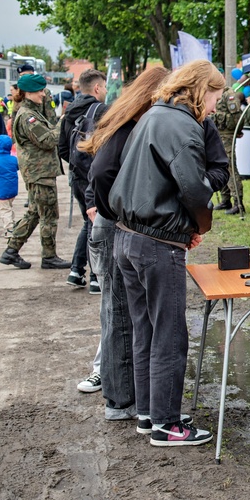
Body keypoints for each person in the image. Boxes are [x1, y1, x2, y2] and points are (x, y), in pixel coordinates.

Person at [109, 59, 224, 447]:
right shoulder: (181, 125)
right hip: (156, 242)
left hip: (127, 237)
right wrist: (197, 227)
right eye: (214, 97)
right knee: (170, 334)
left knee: (146, 330)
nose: (214, 107)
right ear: (200, 89)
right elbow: (194, 188)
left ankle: (149, 413)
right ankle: (167, 424)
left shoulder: (154, 114)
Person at [73, 67, 171, 413]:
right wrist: (114, 210)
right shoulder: (130, 124)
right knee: (120, 317)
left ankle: (124, 396)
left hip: (112, 223)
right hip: (114, 226)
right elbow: (100, 173)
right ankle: (120, 400)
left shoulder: (123, 118)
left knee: (121, 315)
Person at [0, 74, 71, 271]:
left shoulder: (30, 112)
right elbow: (47, 140)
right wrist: (62, 123)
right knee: (48, 214)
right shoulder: (27, 116)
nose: (43, 94)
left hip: (39, 172)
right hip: (40, 173)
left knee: (34, 213)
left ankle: (11, 250)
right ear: (28, 93)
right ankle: (49, 256)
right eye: (39, 91)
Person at [58, 68, 108, 293]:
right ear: (97, 88)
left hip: (76, 178)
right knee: (96, 224)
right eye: (105, 87)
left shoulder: (70, 112)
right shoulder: (101, 111)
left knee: (89, 222)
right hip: (93, 177)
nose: (106, 91)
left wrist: (78, 167)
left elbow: (61, 148)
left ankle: (77, 270)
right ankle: (97, 276)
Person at [212, 88, 248, 215]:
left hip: (226, 135)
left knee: (230, 168)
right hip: (217, 134)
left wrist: (237, 131)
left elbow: (238, 117)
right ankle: (225, 200)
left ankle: (238, 203)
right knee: (219, 167)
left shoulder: (229, 95)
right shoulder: (213, 92)